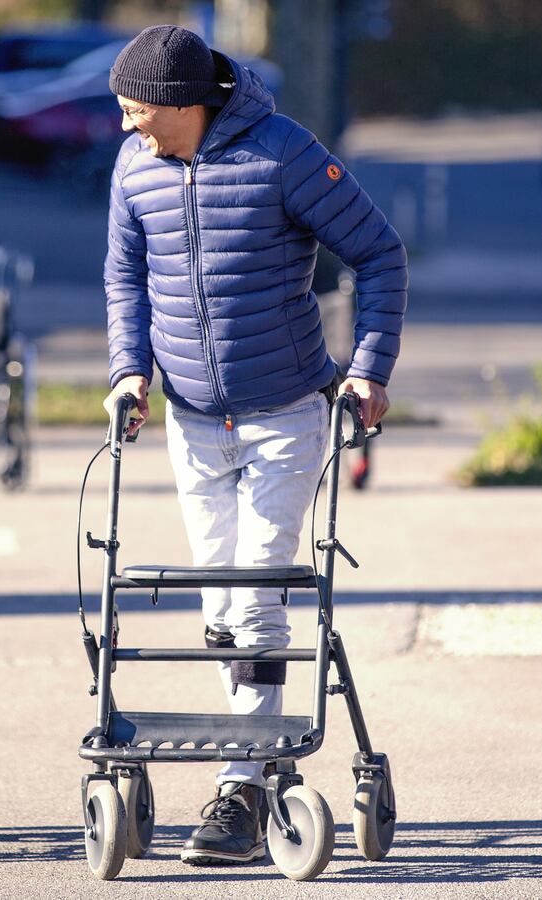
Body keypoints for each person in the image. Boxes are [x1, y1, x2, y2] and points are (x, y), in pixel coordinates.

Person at [101, 25, 407, 866]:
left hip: (284, 413)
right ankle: (250, 758)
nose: (129, 128)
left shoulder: (282, 153)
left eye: (138, 112)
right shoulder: (136, 169)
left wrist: (370, 369)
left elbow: (379, 255)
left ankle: (244, 784)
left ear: (182, 105)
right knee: (217, 605)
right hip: (193, 419)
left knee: (256, 595)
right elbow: (124, 276)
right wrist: (131, 369)